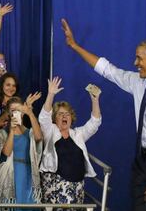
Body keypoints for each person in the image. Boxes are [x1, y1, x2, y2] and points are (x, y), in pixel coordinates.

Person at [61, 19, 146, 210]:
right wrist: (74, 46)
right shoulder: (138, 82)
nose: (134, 63)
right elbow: (108, 70)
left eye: (139, 59)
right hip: (142, 163)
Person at [38, 77, 102, 206]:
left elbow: (95, 123)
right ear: (55, 118)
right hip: (55, 184)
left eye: (67, 114)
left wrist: (95, 101)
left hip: (77, 186)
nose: (64, 116)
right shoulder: (50, 131)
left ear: (71, 118)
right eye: (60, 114)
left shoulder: (78, 134)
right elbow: (44, 117)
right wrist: (51, 94)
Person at [0, 95, 43, 207]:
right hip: (10, 177)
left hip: (28, 176)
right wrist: (11, 131)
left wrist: (30, 113)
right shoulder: (2, 134)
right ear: (8, 113)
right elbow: (5, 154)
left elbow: (39, 137)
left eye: (19, 110)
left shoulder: (30, 133)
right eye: (13, 110)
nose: (16, 113)